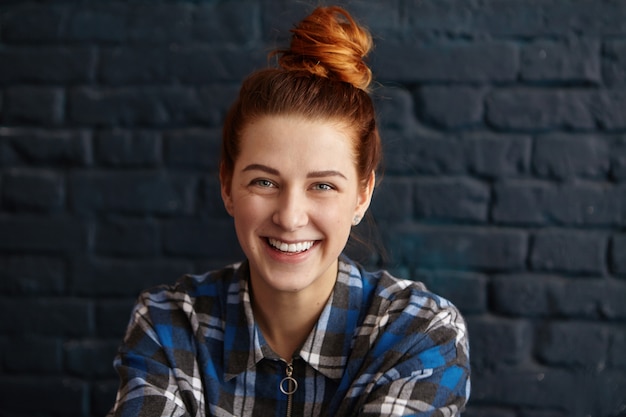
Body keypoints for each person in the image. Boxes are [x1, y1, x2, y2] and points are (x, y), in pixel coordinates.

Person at [107, 5, 470, 417]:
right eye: (264, 182)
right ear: (227, 186)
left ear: (362, 195)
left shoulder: (418, 331)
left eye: (323, 186)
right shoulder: (169, 324)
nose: (290, 217)